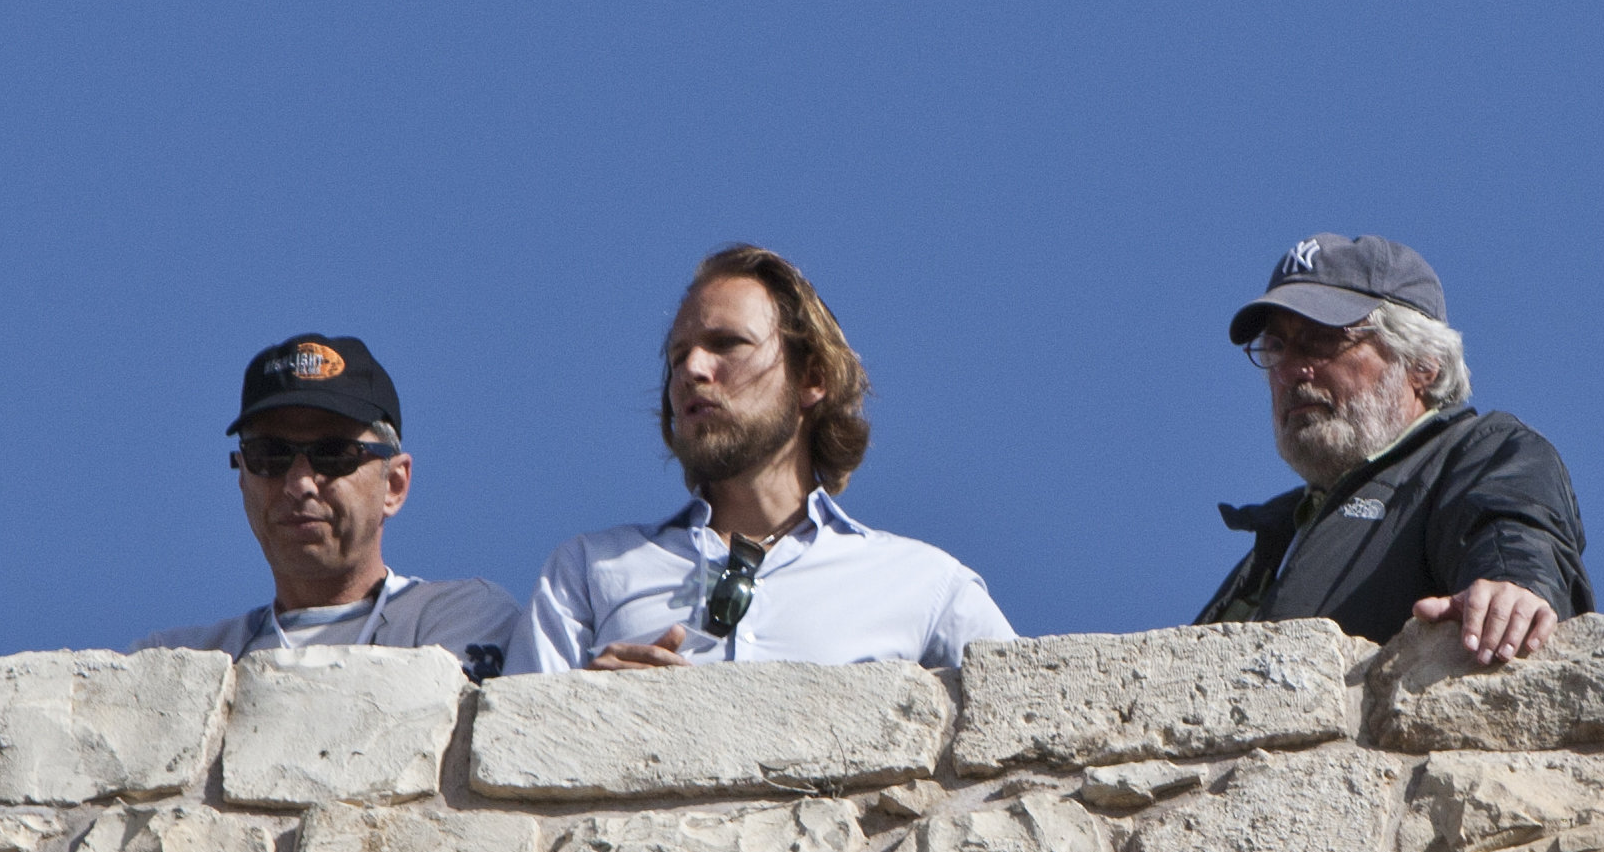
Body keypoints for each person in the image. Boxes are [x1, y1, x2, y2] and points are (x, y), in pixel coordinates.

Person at [515, 245, 1014, 671]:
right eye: (677, 356)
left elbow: (1033, 744)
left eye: (726, 343)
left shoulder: (923, 586)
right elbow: (509, 754)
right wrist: (589, 712)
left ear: (812, 379)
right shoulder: (588, 571)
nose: (691, 369)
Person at [1196, 233, 1591, 663]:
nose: (1291, 370)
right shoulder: (1275, 541)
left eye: (1323, 339)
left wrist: (1511, 583)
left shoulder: (1475, 454)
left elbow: (1508, 524)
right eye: (1276, 346)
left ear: (1421, 364)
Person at [136, 335, 519, 678]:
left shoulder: (457, 616)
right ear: (243, 478)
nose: (299, 483)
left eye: (334, 454)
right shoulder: (171, 663)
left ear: (395, 484)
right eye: (269, 455)